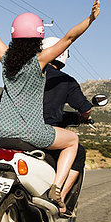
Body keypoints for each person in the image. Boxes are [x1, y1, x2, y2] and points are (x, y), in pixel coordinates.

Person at [0, 0, 100, 213]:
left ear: (13, 36)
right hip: (31, 132)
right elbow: (69, 37)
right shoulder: (40, 60)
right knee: (72, 141)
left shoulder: (5, 58)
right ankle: (56, 190)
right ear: (39, 38)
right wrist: (90, 19)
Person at [42, 36, 93, 203]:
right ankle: (59, 197)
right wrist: (85, 117)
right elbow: (85, 108)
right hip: (44, 133)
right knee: (78, 151)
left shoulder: (25, 75)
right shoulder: (66, 81)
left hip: (13, 129)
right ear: (63, 55)